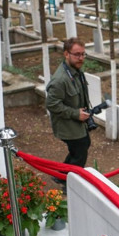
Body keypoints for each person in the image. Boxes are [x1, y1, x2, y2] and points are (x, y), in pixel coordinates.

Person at [45, 38, 92, 184]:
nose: (81, 58)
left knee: (80, 148)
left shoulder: (76, 71)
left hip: (77, 121)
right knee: (80, 150)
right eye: (77, 54)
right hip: (68, 124)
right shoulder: (60, 79)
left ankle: (61, 175)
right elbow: (52, 104)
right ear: (66, 54)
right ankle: (69, 183)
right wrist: (75, 114)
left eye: (83, 54)